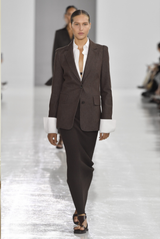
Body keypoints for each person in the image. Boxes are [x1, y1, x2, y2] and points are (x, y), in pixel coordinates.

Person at [43, 10, 116, 234]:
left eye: (85, 24)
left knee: (87, 165)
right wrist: (52, 124)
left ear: (90, 25)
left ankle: (80, 207)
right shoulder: (61, 53)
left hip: (92, 117)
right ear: (71, 25)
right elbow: (56, 90)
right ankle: (81, 213)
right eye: (77, 24)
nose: (81, 28)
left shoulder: (101, 52)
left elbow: (106, 88)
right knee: (74, 163)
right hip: (68, 116)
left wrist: (107, 120)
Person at [45, 5, 77, 150]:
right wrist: (56, 76)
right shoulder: (59, 33)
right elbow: (55, 56)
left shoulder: (81, 32)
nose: (71, 16)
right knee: (61, 108)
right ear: (65, 16)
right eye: (69, 14)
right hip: (63, 77)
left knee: (75, 108)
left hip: (77, 78)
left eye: (74, 14)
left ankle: (68, 137)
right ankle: (61, 136)